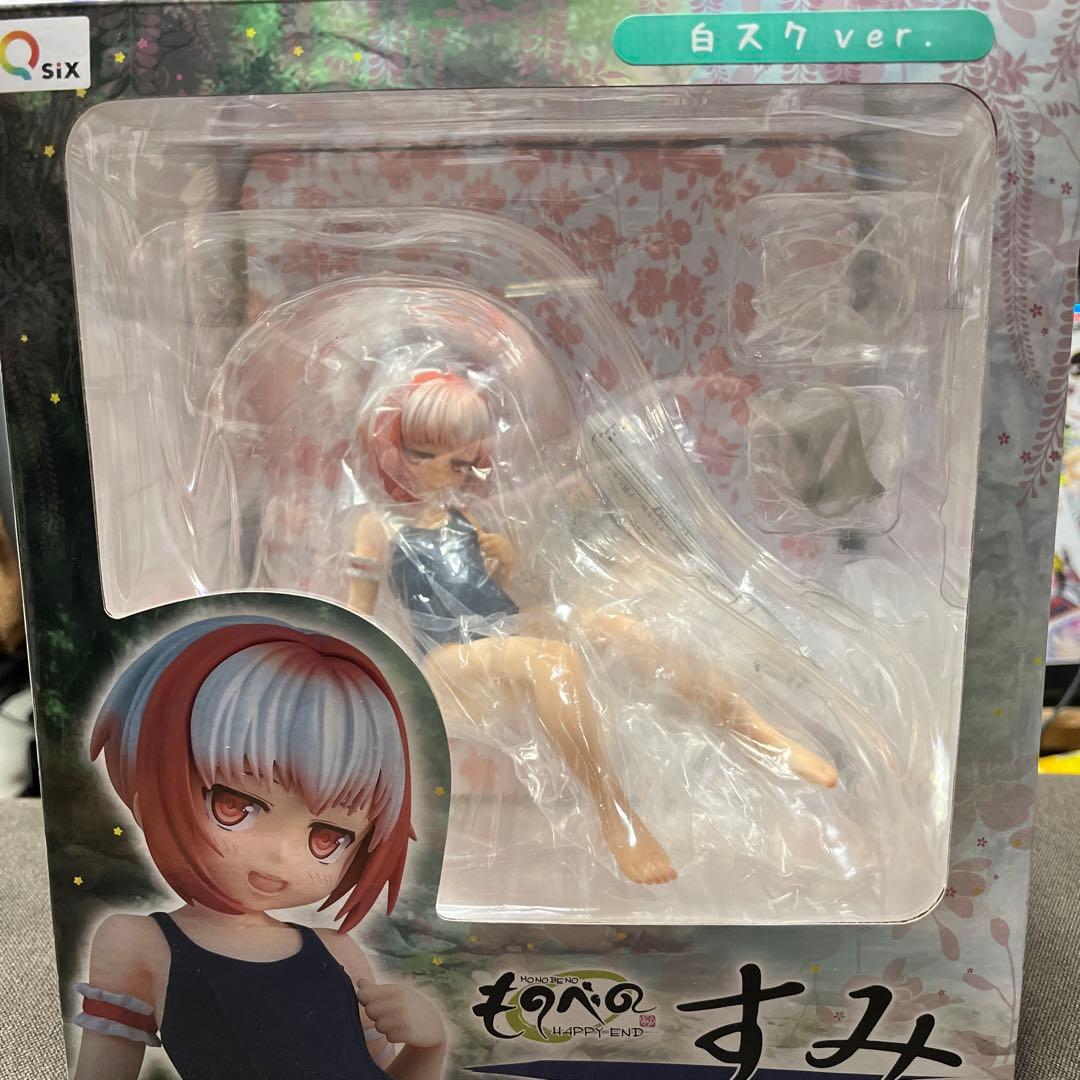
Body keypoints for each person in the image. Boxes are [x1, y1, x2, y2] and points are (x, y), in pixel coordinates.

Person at [347, 371, 837, 888]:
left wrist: (506, 559)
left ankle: (753, 730)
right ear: (396, 452)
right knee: (550, 661)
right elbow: (357, 616)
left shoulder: (465, 517)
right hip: (446, 656)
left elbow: (495, 589)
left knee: (617, 628)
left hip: (501, 628)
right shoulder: (379, 525)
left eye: (463, 459)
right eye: (427, 453)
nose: (451, 469)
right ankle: (614, 812)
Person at [74, 616, 446, 1080]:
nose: (281, 856)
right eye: (233, 806)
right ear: (152, 780)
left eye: (327, 837)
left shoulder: (339, 952)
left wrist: (429, 1047)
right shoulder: (138, 942)